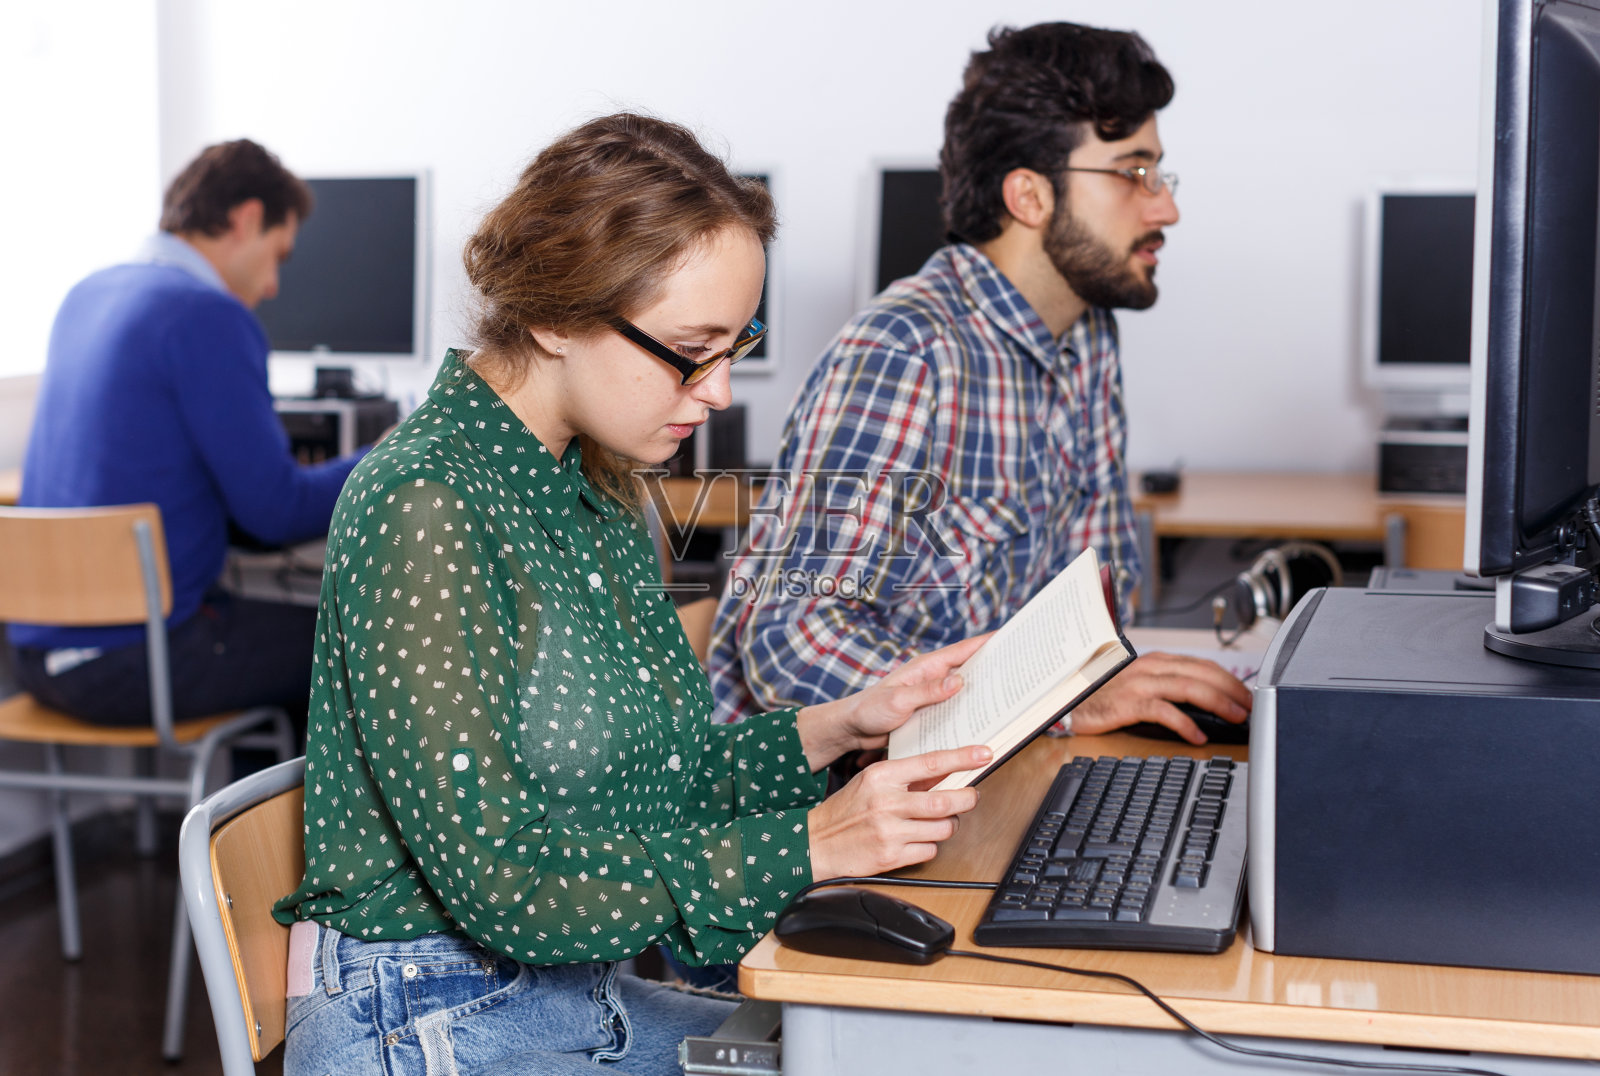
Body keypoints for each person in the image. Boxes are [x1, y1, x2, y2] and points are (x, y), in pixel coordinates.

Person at [271, 113, 991, 1076]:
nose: (722, 390)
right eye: (695, 349)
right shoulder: (425, 502)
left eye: (741, 343)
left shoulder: (599, 484)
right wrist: (812, 843)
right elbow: (508, 885)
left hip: (573, 992)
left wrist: (841, 726)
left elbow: (652, 785)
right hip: (429, 1017)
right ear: (556, 316)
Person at [707, 21, 1252, 742]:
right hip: (828, 799)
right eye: (1132, 173)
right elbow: (791, 642)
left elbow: (1092, 600)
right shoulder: (906, 352)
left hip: (985, 759)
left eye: (1159, 174)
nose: (1165, 208)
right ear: (1029, 196)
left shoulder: (1086, 339)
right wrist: (1048, 700)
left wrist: (1101, 683)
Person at [9, 139, 366, 729]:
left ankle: (244, 820)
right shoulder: (208, 315)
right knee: (351, 640)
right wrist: (385, 456)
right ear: (247, 217)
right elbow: (274, 513)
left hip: (36, 655)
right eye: (278, 254)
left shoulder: (86, 293)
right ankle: (263, 824)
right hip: (131, 662)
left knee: (252, 626)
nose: (274, 284)